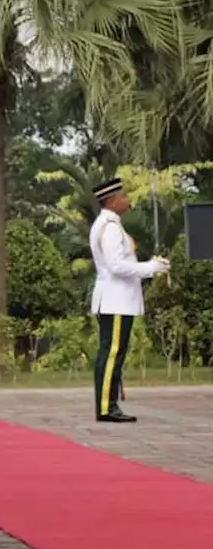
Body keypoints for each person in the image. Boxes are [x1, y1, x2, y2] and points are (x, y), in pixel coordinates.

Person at [88, 178, 168, 422]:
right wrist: (151, 267)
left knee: (114, 352)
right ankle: (106, 407)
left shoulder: (110, 224)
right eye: (123, 196)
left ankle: (108, 404)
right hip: (115, 299)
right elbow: (116, 265)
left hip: (116, 298)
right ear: (111, 201)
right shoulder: (110, 227)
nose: (127, 200)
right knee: (112, 353)